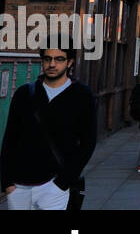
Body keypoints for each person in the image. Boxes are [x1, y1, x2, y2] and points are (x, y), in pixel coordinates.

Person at [1, 45, 96, 210]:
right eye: (47, 58)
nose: (52, 64)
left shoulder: (81, 95)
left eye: (59, 59)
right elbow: (9, 139)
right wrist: (7, 183)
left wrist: (62, 183)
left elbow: (88, 143)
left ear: (70, 62)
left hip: (54, 185)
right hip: (19, 186)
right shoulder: (24, 94)